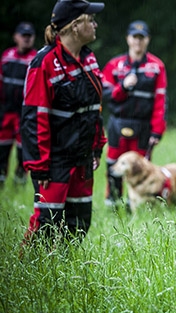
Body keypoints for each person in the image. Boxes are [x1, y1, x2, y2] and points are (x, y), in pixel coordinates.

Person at [21, 0, 107, 247]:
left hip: (83, 159)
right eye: (90, 20)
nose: (95, 24)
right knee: (46, 226)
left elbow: (94, 109)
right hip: (54, 163)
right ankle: (29, 274)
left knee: (78, 225)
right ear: (74, 26)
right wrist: (40, 166)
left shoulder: (90, 59)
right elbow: (34, 118)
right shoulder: (44, 63)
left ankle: (61, 276)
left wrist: (97, 146)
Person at [102, 20, 168, 207]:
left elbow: (160, 102)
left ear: (147, 40)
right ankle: (112, 205)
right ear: (127, 39)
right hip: (118, 123)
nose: (138, 41)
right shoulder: (114, 65)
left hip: (143, 126)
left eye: (142, 38)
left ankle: (137, 206)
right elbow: (104, 93)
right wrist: (122, 87)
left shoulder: (157, 67)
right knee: (113, 165)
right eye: (134, 37)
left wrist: (157, 131)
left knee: (141, 168)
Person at [0, 22, 37, 186]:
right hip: (5, 111)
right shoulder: (7, 56)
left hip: (25, 113)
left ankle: (19, 182)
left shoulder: (36, 58)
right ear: (16, 37)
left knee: (23, 151)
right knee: (2, 149)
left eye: (29, 37)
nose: (26, 40)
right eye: (23, 36)